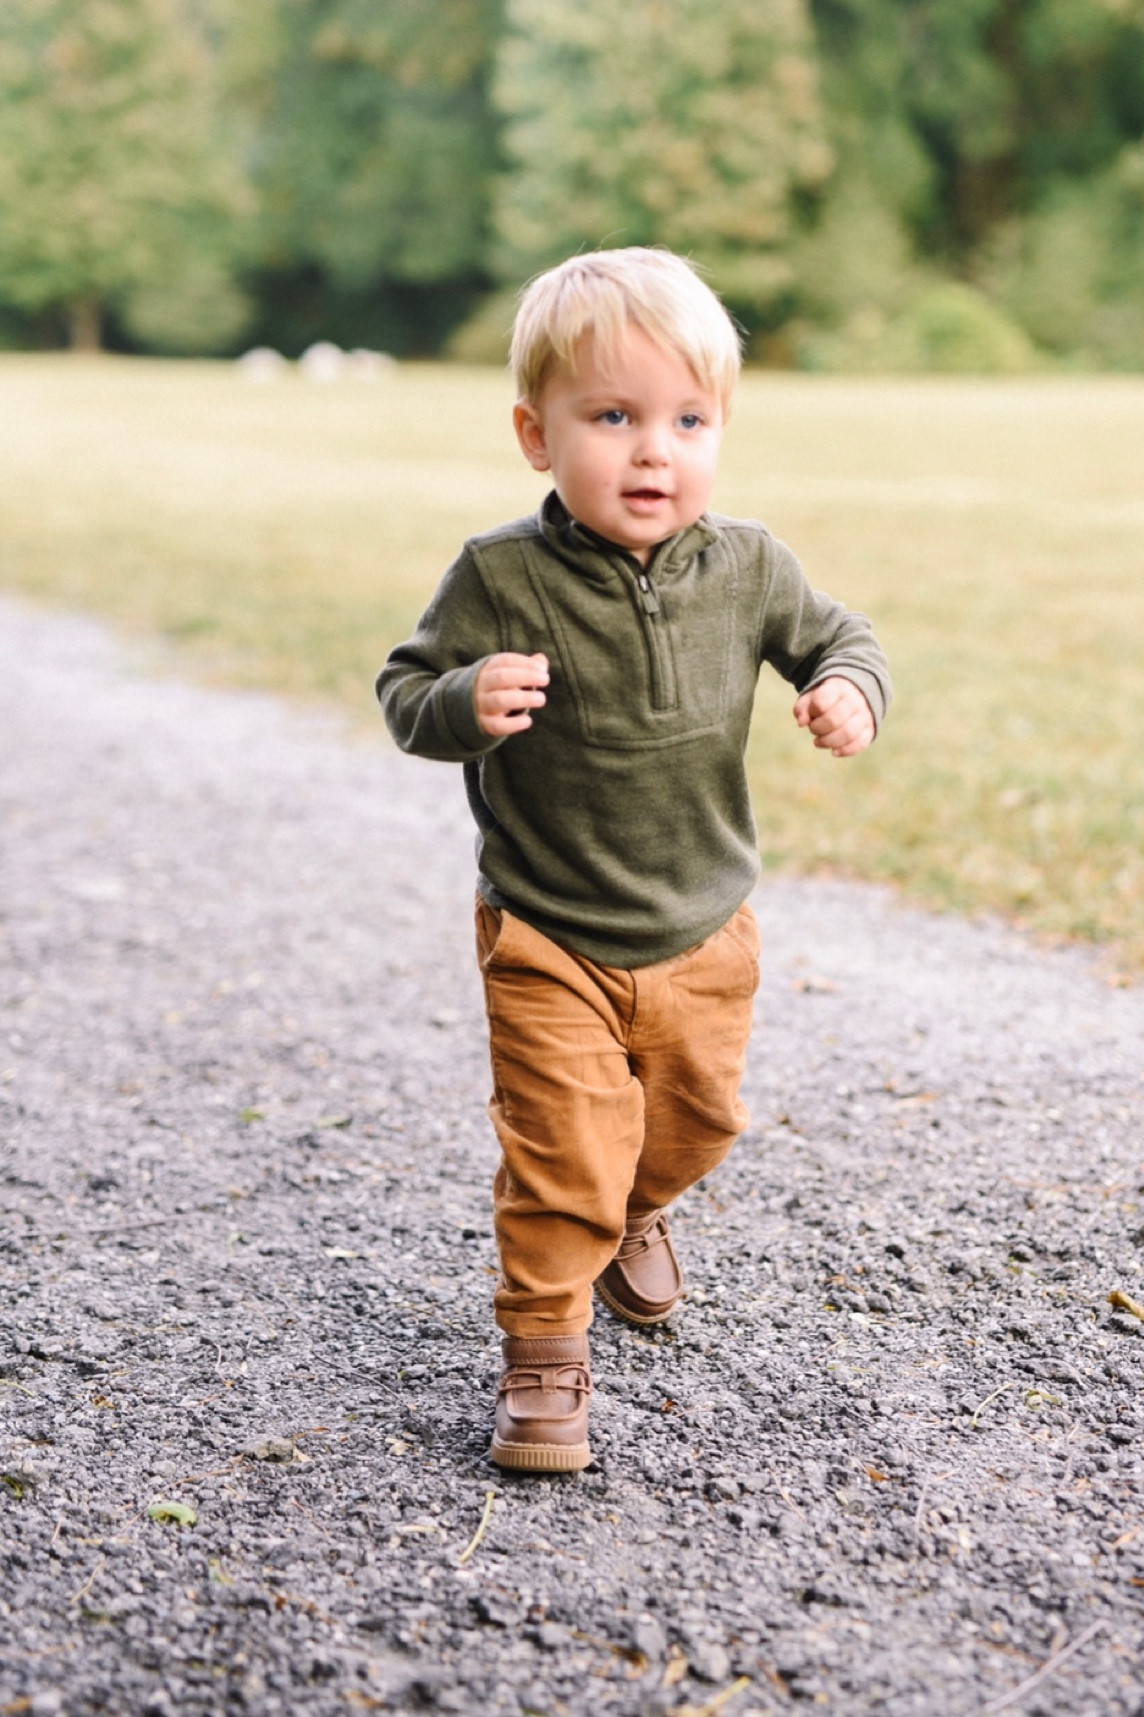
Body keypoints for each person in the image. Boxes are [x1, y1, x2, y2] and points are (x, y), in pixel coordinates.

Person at [377, 248, 891, 1472]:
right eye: (613, 417)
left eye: (688, 419)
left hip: (703, 923)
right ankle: (545, 1361)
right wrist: (463, 696)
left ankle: (639, 1208)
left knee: (697, 1120)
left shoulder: (751, 565)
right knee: (563, 1156)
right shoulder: (500, 575)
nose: (654, 450)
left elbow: (841, 634)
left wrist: (845, 689)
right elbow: (404, 692)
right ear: (535, 434)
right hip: (549, 927)